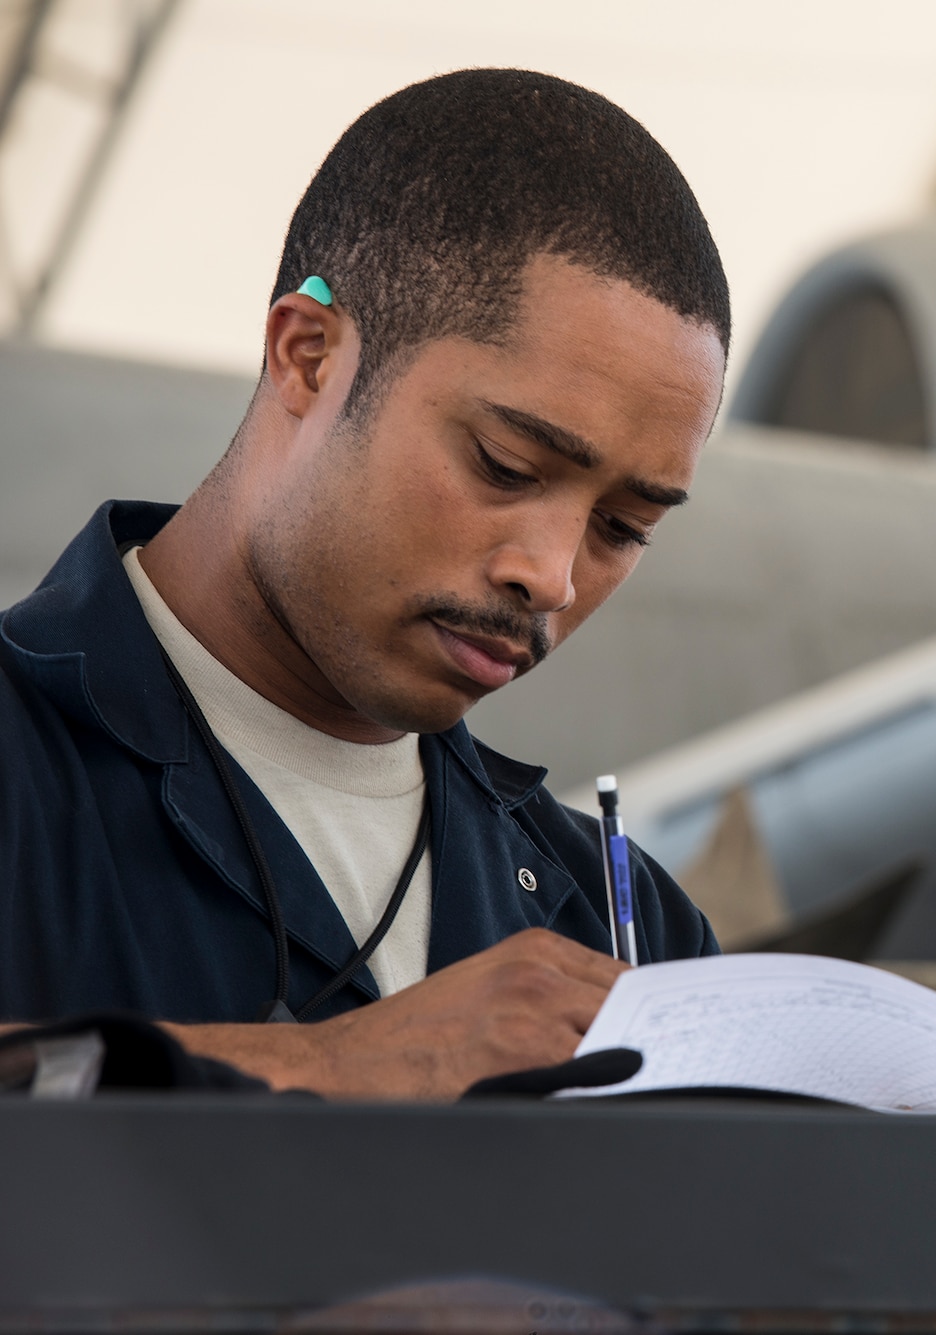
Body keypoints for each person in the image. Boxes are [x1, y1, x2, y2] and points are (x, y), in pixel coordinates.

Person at [0, 69, 732, 1098]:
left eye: (623, 528)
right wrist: (317, 1065)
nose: (553, 577)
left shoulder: (620, 925)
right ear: (307, 356)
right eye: (504, 466)